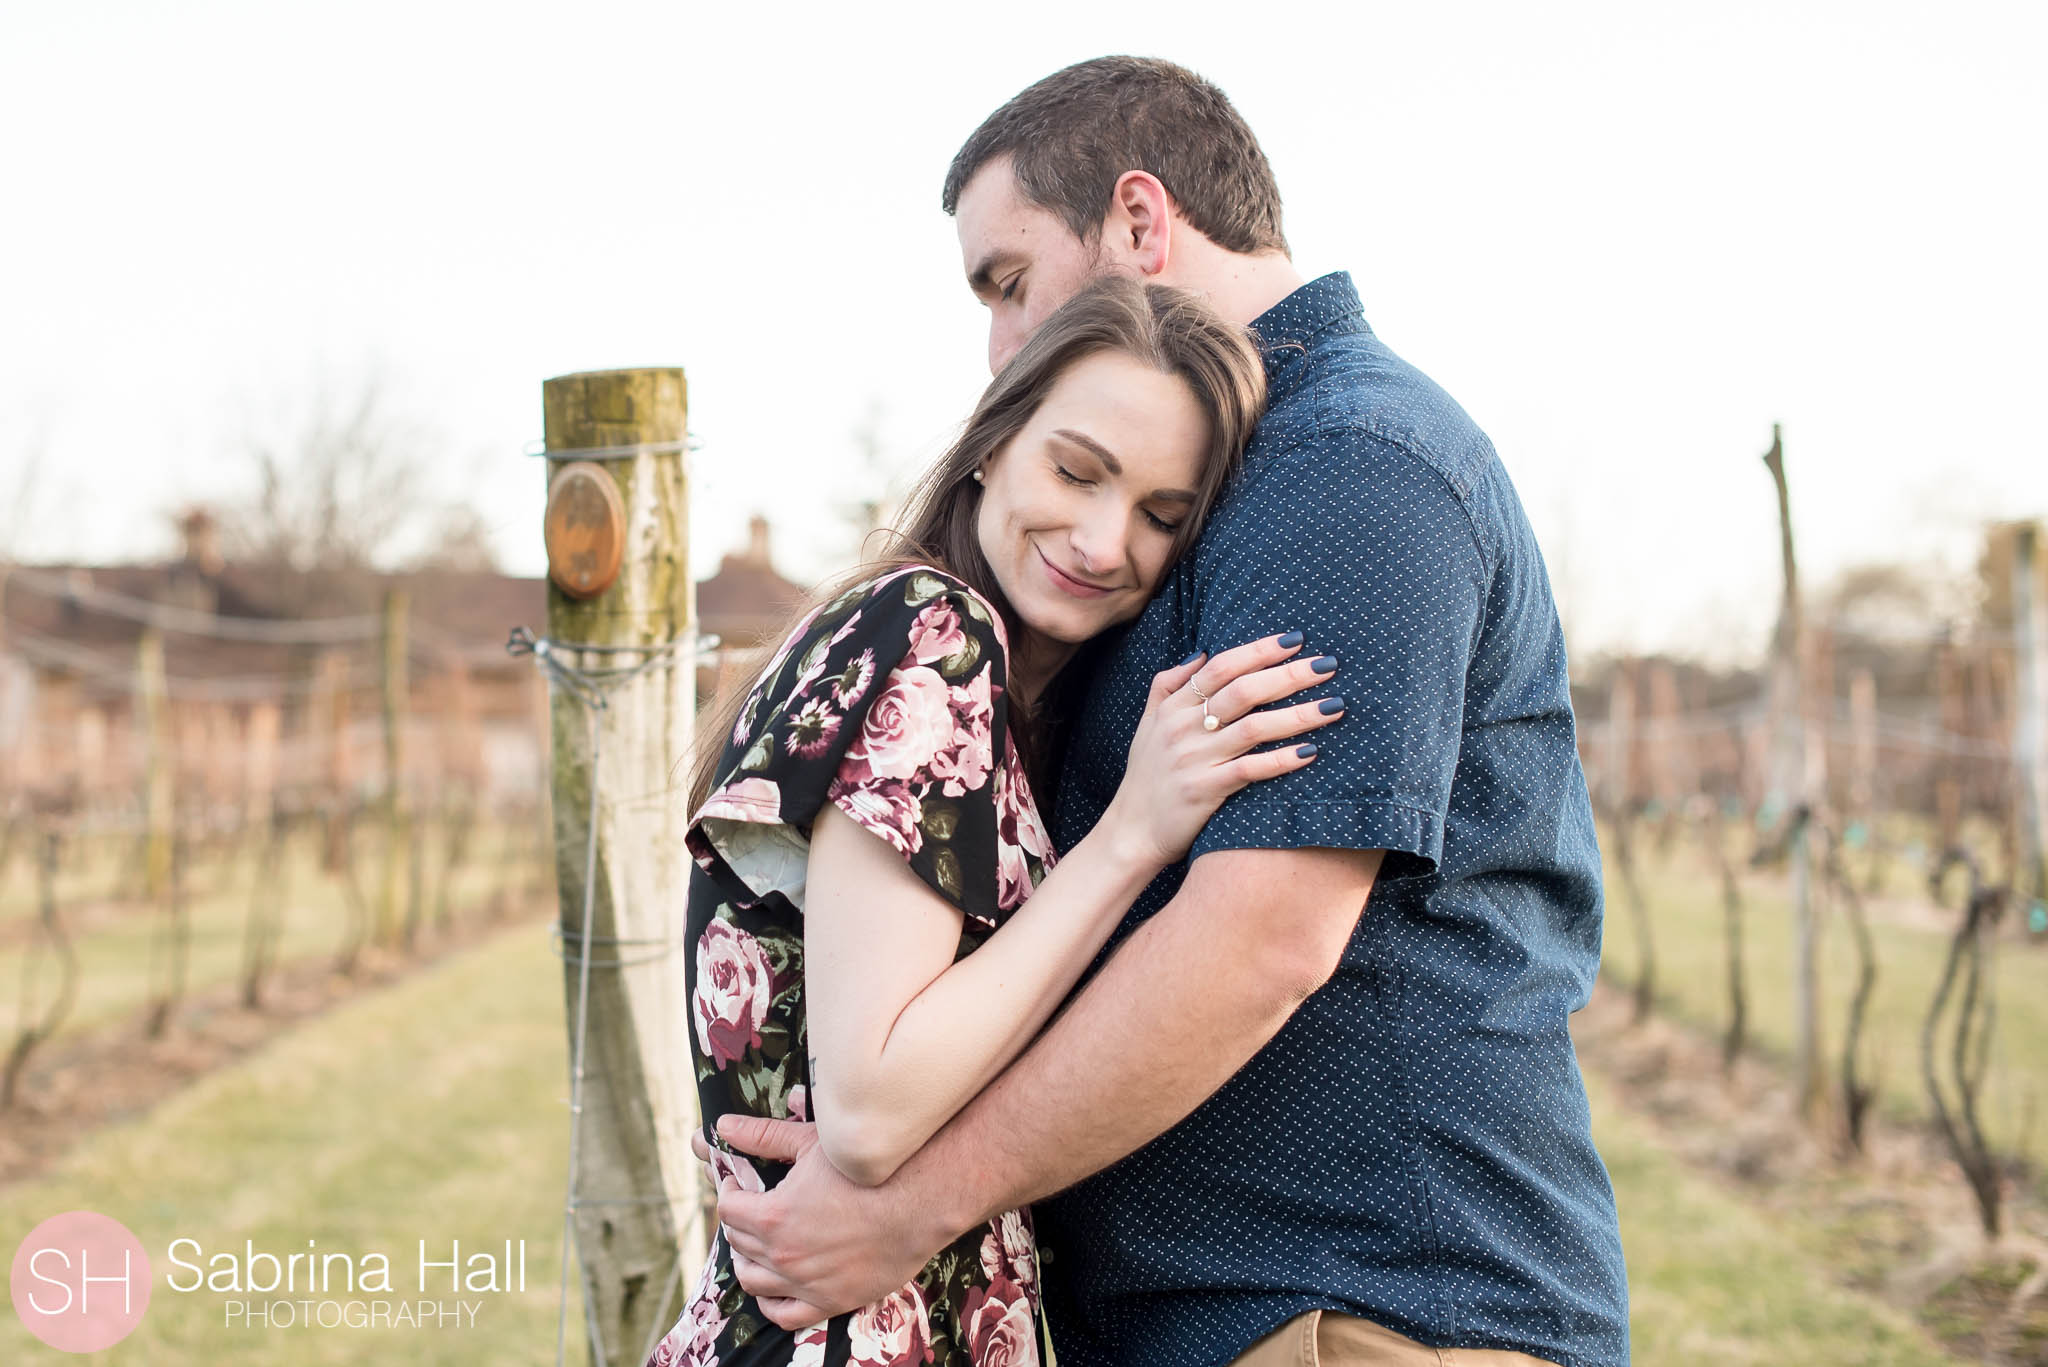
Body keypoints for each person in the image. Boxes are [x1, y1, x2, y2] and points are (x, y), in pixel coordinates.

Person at [707, 56, 1632, 1367]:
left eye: (1010, 278)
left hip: (1357, 1310)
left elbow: (1258, 942)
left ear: (1140, 222)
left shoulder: (1347, 466)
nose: (997, 344)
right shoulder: (1226, 489)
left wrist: (905, 1205)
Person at [647, 276, 1347, 1367]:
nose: (1105, 538)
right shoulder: (933, 628)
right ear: (989, 445)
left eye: (1163, 514)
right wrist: (1130, 836)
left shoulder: (980, 689)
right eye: (1075, 470)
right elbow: (874, 1109)